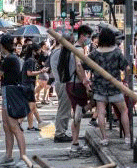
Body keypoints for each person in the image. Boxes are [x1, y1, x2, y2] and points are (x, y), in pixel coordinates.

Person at [89, 28, 131, 146]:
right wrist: (125, 81)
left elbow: (83, 64)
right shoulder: (117, 52)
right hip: (115, 86)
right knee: (123, 111)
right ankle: (127, 137)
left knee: (101, 112)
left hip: (99, 87)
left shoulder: (95, 53)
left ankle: (104, 138)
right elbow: (127, 68)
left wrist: (86, 80)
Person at [0, 34, 28, 166]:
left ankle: (23, 158)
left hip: (11, 92)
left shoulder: (9, 59)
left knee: (14, 126)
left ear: (3, 46)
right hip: (7, 91)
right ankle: (8, 156)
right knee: (6, 125)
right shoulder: (12, 58)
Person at [66, 25, 94, 155]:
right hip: (77, 84)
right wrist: (86, 83)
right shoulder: (78, 50)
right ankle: (74, 142)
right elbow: (79, 67)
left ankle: (75, 142)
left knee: (76, 113)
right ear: (82, 35)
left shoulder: (72, 48)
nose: (89, 39)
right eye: (88, 36)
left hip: (70, 83)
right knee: (92, 102)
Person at [49, 34, 74, 143]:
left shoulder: (55, 52)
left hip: (59, 82)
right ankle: (60, 133)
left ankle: (61, 131)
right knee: (64, 109)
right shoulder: (62, 53)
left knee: (63, 108)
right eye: (72, 41)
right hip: (64, 83)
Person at [22, 43, 45, 131]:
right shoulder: (31, 60)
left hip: (27, 85)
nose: (40, 52)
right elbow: (29, 73)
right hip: (28, 86)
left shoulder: (28, 59)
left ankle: (37, 123)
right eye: (38, 50)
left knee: (33, 106)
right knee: (30, 107)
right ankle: (19, 123)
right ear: (34, 51)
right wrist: (40, 72)